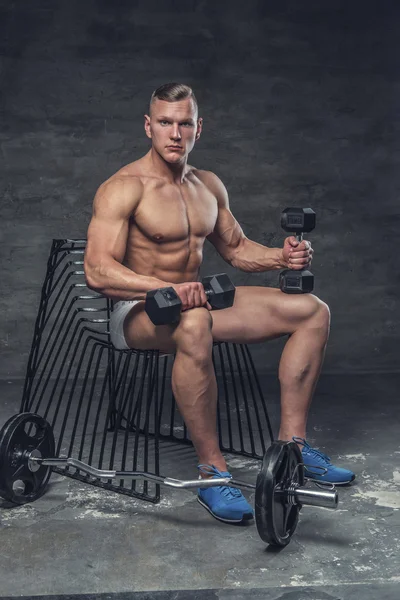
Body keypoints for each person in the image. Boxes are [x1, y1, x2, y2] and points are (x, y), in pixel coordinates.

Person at [84, 82, 355, 524]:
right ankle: (213, 473)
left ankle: (294, 449)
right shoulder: (124, 187)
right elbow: (97, 270)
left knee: (312, 310)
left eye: (184, 123)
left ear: (198, 127)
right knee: (193, 323)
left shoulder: (206, 184)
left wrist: (280, 256)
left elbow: (237, 249)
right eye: (166, 123)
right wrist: (158, 288)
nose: (175, 133)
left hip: (198, 304)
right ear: (148, 126)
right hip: (137, 311)